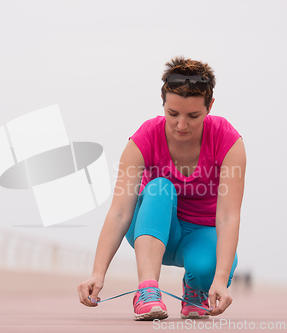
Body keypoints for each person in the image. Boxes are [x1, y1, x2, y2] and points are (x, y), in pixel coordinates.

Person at [77, 56, 246, 321]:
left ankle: (194, 289)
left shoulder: (227, 140)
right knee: (159, 188)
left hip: (199, 233)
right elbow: (120, 212)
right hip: (150, 228)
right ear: (162, 102)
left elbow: (227, 216)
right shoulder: (145, 136)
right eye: (172, 114)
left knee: (207, 272)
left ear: (210, 106)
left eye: (193, 116)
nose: (181, 125)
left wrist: (221, 281)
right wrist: (98, 273)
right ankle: (147, 291)